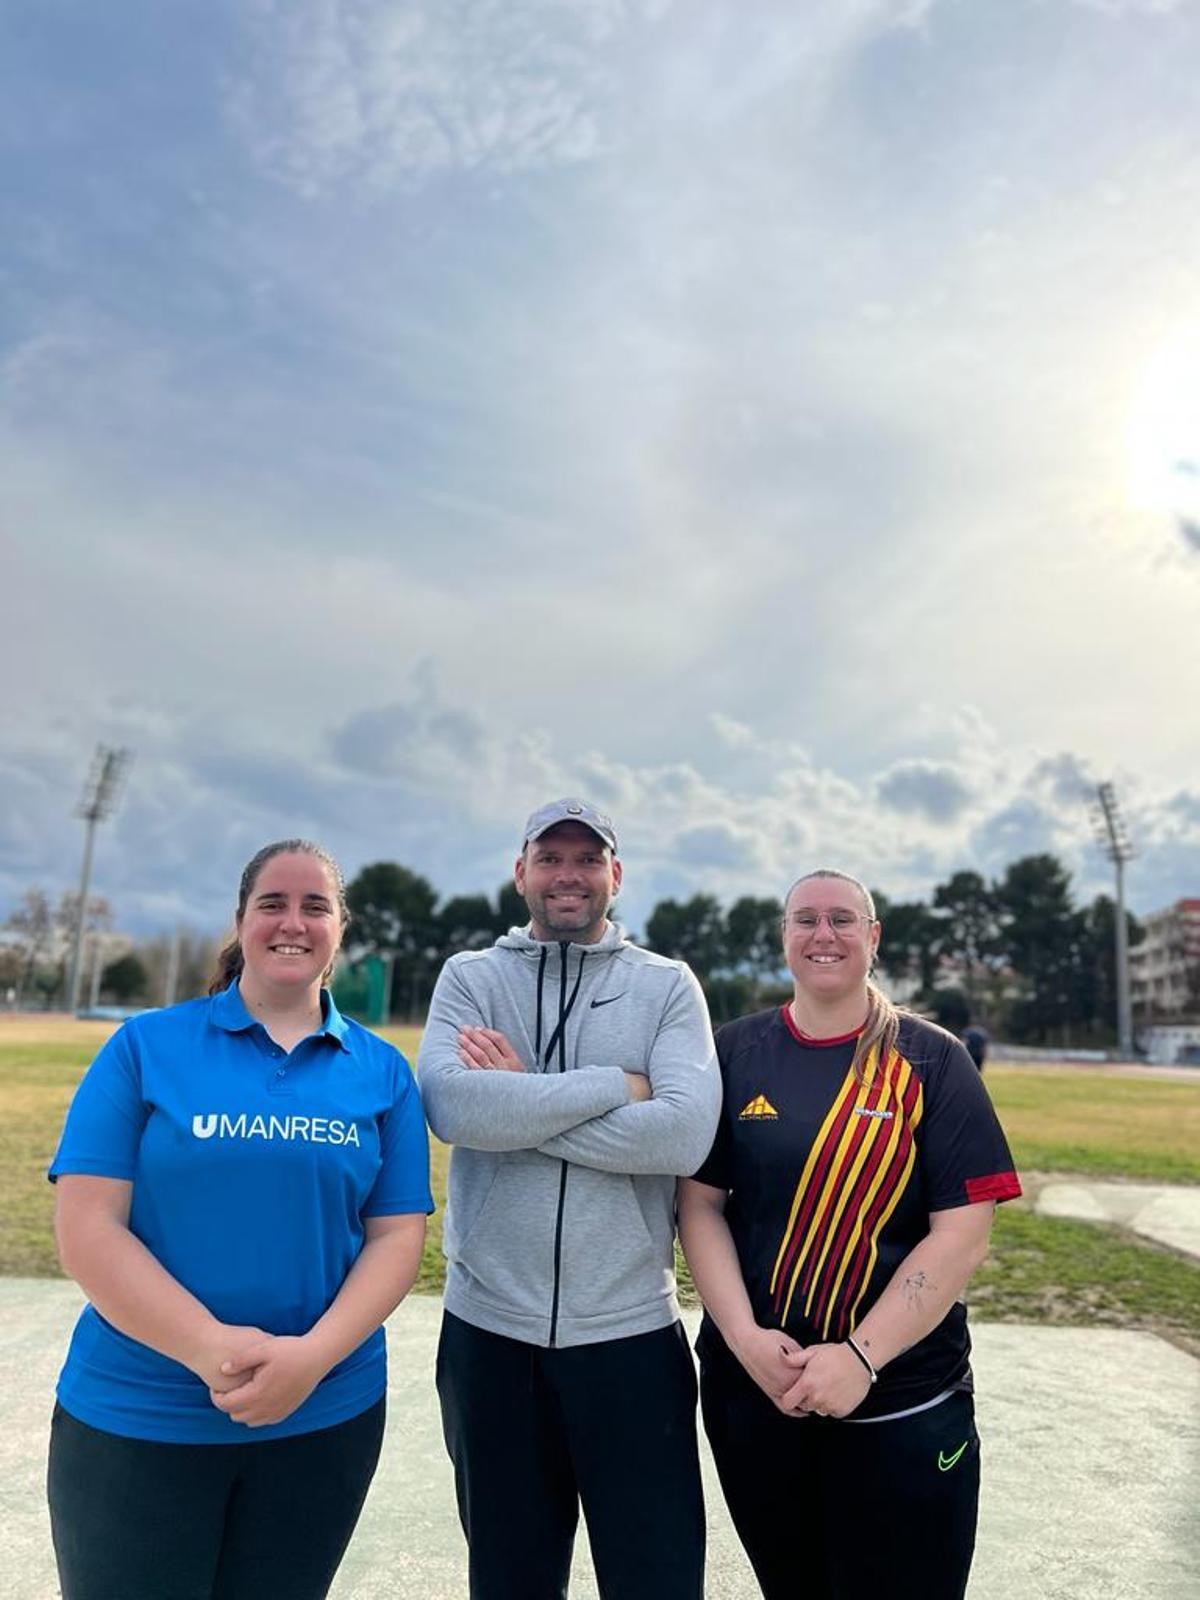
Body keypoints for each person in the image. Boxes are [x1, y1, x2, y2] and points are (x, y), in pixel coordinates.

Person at [47, 839, 433, 1600]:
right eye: (273, 903)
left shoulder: (382, 1071)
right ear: (241, 921)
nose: (293, 921)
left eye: (315, 906)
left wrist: (312, 1359)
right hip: (141, 1412)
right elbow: (88, 1227)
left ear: (340, 930)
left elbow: (396, 1237)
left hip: (324, 1415)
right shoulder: (144, 1047)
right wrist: (210, 1349)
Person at [678, 868, 1021, 1600]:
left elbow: (963, 1235)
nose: (822, 934)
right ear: (783, 938)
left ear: (873, 937)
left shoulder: (933, 1061)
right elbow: (699, 1204)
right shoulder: (733, 1052)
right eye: (805, 919)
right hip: (758, 1392)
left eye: (842, 919)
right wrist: (742, 1339)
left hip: (902, 1398)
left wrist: (862, 1358)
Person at [417, 798, 721, 1600]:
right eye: (550, 858)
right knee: (510, 1579)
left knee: (655, 1579)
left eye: (588, 859)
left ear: (615, 875)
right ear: (521, 873)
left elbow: (683, 1137)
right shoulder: (470, 978)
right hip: (490, 1338)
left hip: (629, 1338)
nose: (568, 876)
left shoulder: (665, 986)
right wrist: (611, 1089)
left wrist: (519, 1102)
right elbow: (454, 1109)